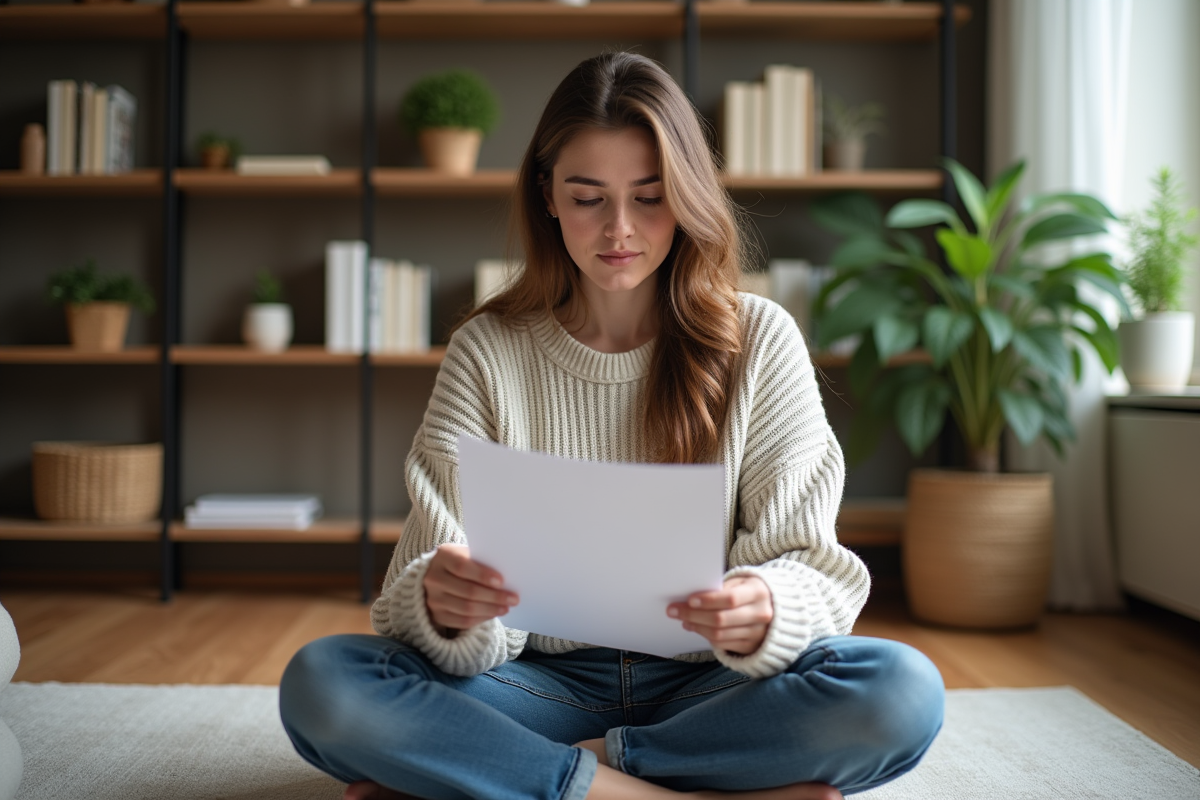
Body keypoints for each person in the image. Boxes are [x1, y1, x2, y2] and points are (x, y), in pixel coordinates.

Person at [279, 52, 944, 800]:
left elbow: (814, 569)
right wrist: (442, 603)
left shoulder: (761, 338)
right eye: (588, 197)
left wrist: (767, 607)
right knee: (324, 683)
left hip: (711, 692)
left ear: (688, 196)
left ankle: (537, 777)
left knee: (901, 690)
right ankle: (650, 790)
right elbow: (430, 562)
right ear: (549, 198)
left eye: (650, 196)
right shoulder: (487, 351)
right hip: (530, 687)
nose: (619, 229)